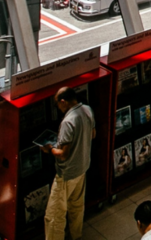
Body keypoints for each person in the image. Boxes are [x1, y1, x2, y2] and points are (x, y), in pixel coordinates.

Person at [41, 87, 96, 240]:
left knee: (54, 215)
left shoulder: (68, 121)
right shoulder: (87, 110)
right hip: (82, 167)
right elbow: (93, 134)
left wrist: (50, 148)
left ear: (63, 102)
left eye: (57, 104)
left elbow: (63, 155)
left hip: (67, 174)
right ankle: (76, 236)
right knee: (76, 207)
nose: (58, 108)